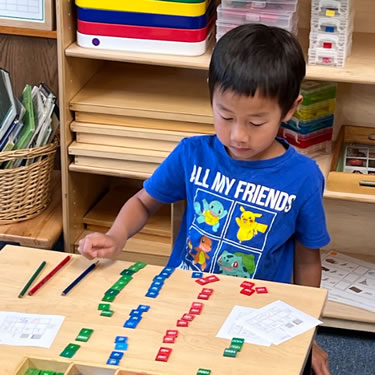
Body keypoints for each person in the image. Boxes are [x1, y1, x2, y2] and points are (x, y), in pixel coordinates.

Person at [78, 24, 331, 375]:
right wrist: (116, 235)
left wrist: (308, 332)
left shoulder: (303, 178)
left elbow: (307, 261)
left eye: (256, 122)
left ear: (290, 109)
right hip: (181, 296)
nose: (238, 135)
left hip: (254, 314)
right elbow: (143, 202)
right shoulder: (192, 154)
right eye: (225, 116)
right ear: (210, 95)